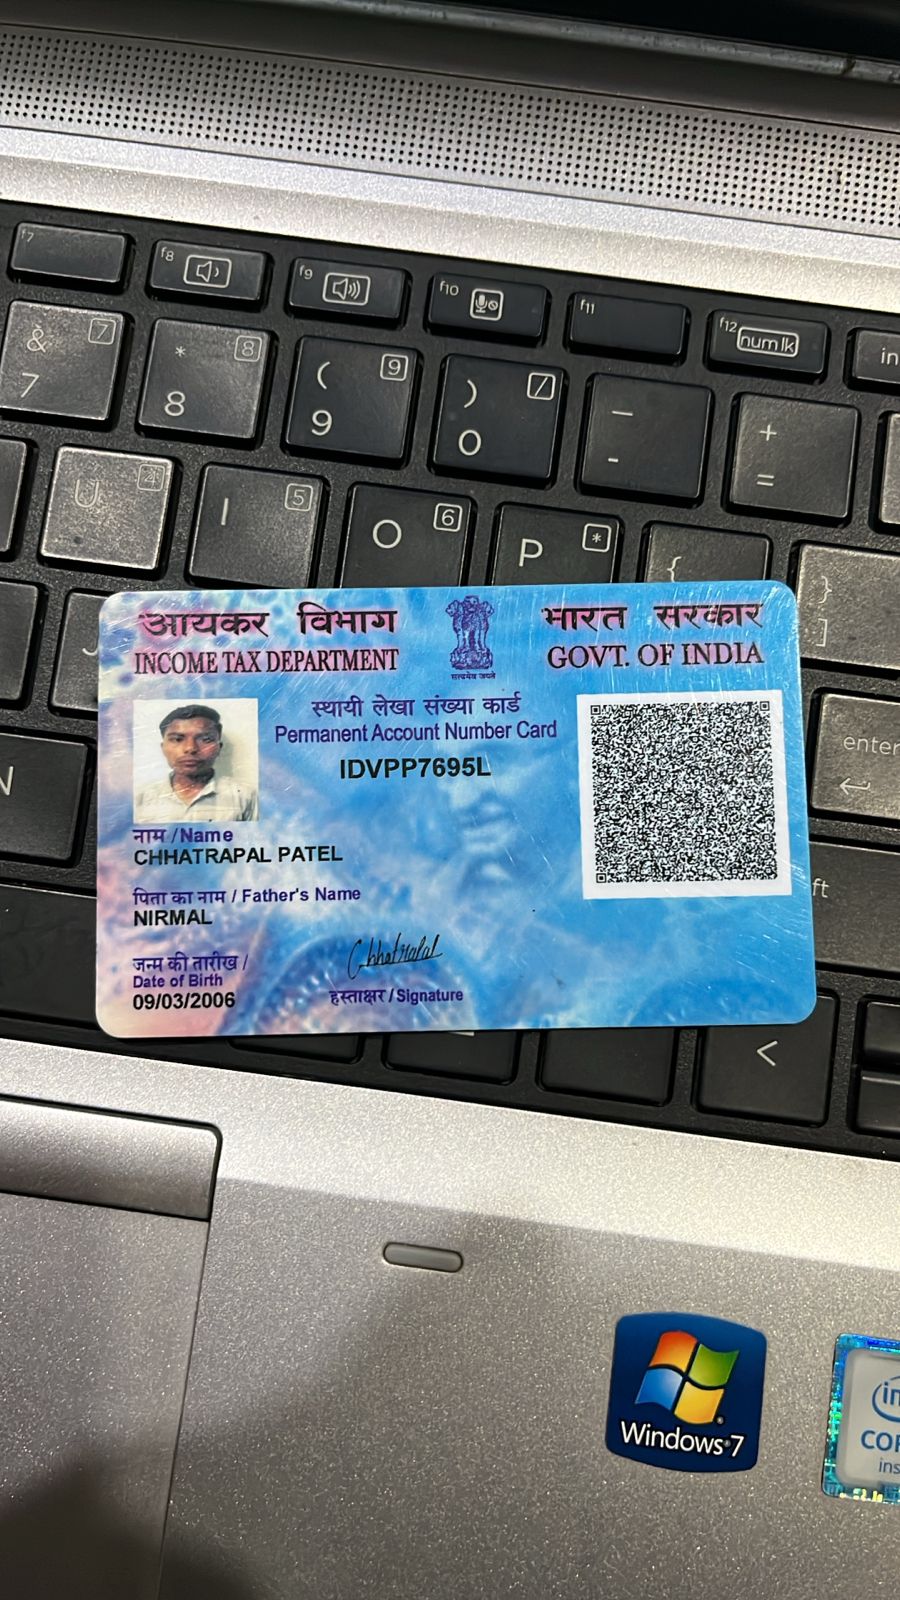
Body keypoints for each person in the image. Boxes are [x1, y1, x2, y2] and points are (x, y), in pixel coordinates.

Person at [134, 704, 258, 823]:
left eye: (205, 739)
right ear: (163, 748)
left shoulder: (245, 797)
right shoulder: (139, 799)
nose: (190, 748)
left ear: (219, 748)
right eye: (177, 739)